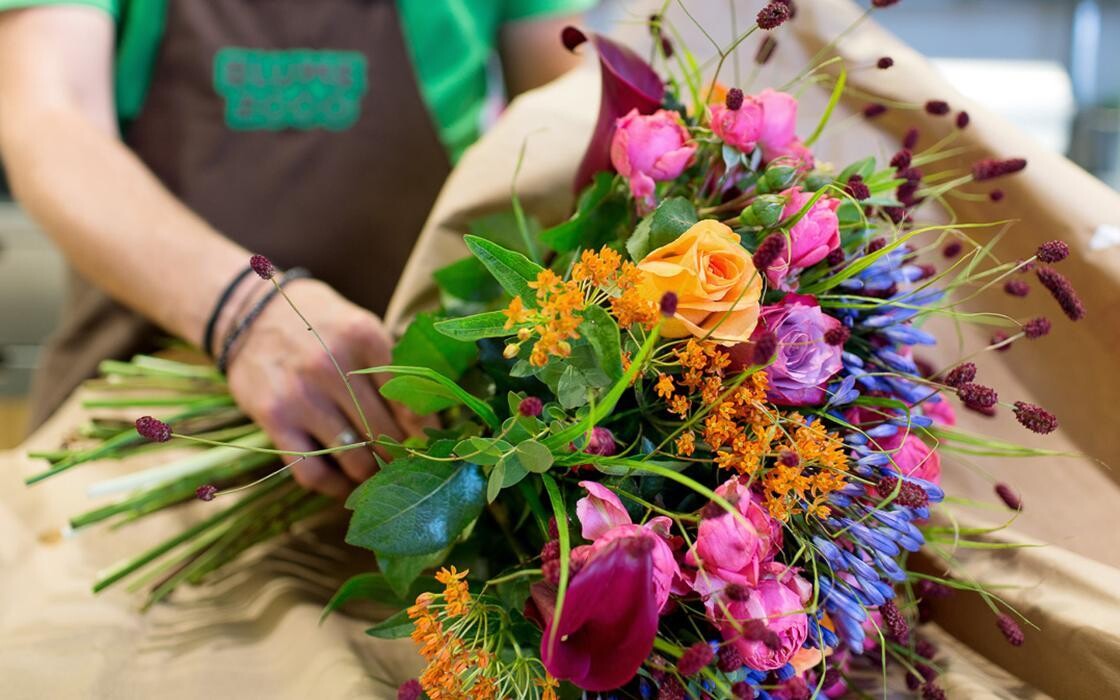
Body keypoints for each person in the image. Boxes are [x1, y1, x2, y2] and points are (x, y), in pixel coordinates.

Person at [0, 0, 591, 499]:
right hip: (140, 438)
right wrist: (243, 312)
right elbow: (51, 117)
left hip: (415, 455)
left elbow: (566, 117)